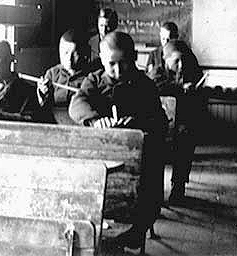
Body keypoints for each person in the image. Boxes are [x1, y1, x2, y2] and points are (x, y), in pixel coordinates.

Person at [68, 31, 167, 250]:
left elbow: (158, 121)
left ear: (133, 59)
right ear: (102, 60)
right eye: (111, 63)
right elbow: (77, 105)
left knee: (144, 197)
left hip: (137, 159)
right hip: (102, 156)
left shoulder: (145, 85)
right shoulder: (93, 80)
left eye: (124, 63)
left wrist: (136, 124)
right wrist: (95, 121)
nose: (118, 70)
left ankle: (136, 231)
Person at [150, 39, 203, 205]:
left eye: (183, 60)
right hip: (159, 124)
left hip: (181, 122)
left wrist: (193, 91)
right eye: (176, 61)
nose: (181, 65)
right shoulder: (157, 73)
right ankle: (152, 192)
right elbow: (155, 87)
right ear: (165, 60)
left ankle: (178, 185)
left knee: (186, 137)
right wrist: (180, 88)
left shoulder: (190, 70)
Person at [37, 29, 90, 123]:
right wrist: (43, 92)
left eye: (74, 53)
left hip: (80, 122)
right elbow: (45, 107)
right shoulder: (52, 73)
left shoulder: (91, 76)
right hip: (55, 122)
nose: (69, 58)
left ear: (83, 52)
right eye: (65, 53)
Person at [87, 8, 118, 72]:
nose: (104, 30)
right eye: (101, 25)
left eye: (107, 26)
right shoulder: (90, 43)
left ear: (114, 26)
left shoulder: (120, 43)